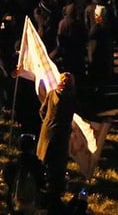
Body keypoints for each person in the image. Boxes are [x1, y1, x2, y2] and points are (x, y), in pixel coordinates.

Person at [37, 72, 77, 212]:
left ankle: (40, 187)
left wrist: (47, 122)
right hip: (61, 133)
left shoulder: (52, 93)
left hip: (47, 131)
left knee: (44, 159)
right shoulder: (71, 97)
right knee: (58, 164)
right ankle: (55, 195)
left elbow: (42, 111)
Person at [4, 133, 46, 215]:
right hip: (32, 202)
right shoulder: (36, 165)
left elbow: (8, 180)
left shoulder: (13, 164)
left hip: (14, 202)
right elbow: (42, 182)